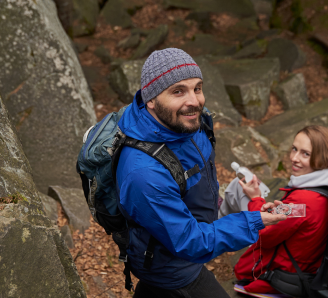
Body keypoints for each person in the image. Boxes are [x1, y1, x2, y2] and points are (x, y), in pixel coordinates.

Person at [115, 48, 286, 298]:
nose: (194, 101)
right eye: (178, 91)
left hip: (172, 250)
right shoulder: (143, 173)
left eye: (197, 88)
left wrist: (228, 199)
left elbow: (194, 178)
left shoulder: (188, 123)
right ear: (150, 99)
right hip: (175, 269)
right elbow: (190, 241)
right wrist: (255, 220)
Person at [233, 125, 328, 294]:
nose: (294, 157)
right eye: (294, 149)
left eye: (305, 154)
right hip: (309, 269)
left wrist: (256, 200)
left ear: (324, 159)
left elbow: (264, 234)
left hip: (280, 278)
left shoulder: (303, 202)